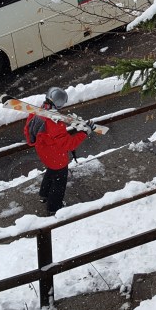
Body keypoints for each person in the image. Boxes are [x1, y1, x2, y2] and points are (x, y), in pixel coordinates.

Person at [21, 86, 91, 215]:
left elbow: (30, 131)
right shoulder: (55, 124)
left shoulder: (36, 113)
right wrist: (84, 134)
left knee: (51, 172)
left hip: (44, 153)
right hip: (57, 157)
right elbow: (68, 144)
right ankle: (54, 207)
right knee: (59, 183)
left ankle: (44, 194)